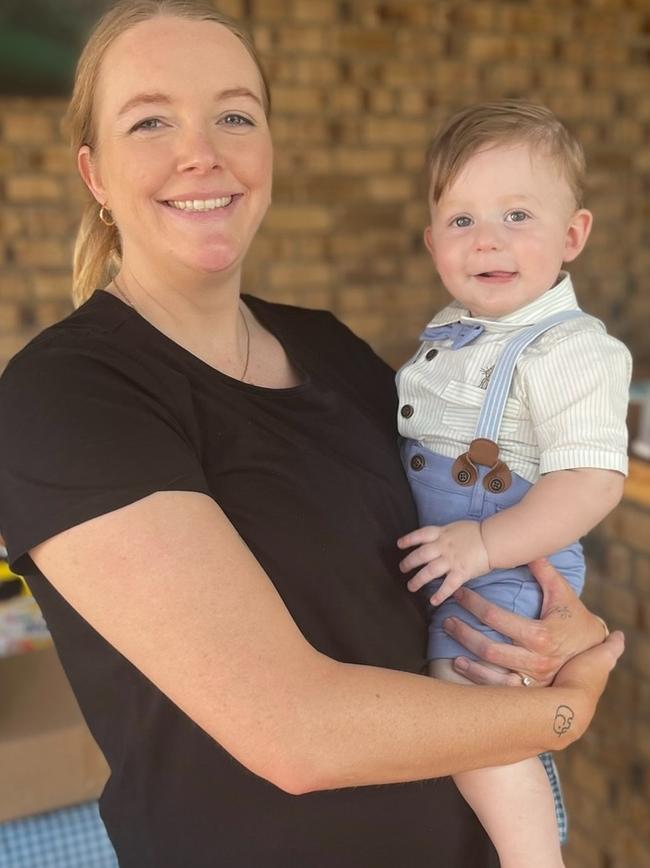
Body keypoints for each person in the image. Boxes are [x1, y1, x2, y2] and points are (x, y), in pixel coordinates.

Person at [0, 5, 623, 867]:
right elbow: (296, 734)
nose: (202, 152)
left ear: (267, 150)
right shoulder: (65, 398)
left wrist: (565, 631)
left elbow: (443, 561)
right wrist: (565, 712)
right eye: (150, 121)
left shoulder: (331, 350)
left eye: (234, 115)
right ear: (93, 172)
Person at [396, 101, 631, 867]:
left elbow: (592, 483)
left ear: (573, 237)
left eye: (517, 214)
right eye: (461, 220)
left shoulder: (571, 348)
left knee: (481, 727)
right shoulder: (452, 334)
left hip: (505, 564)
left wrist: (486, 541)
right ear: (432, 243)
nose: (487, 238)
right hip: (458, 558)